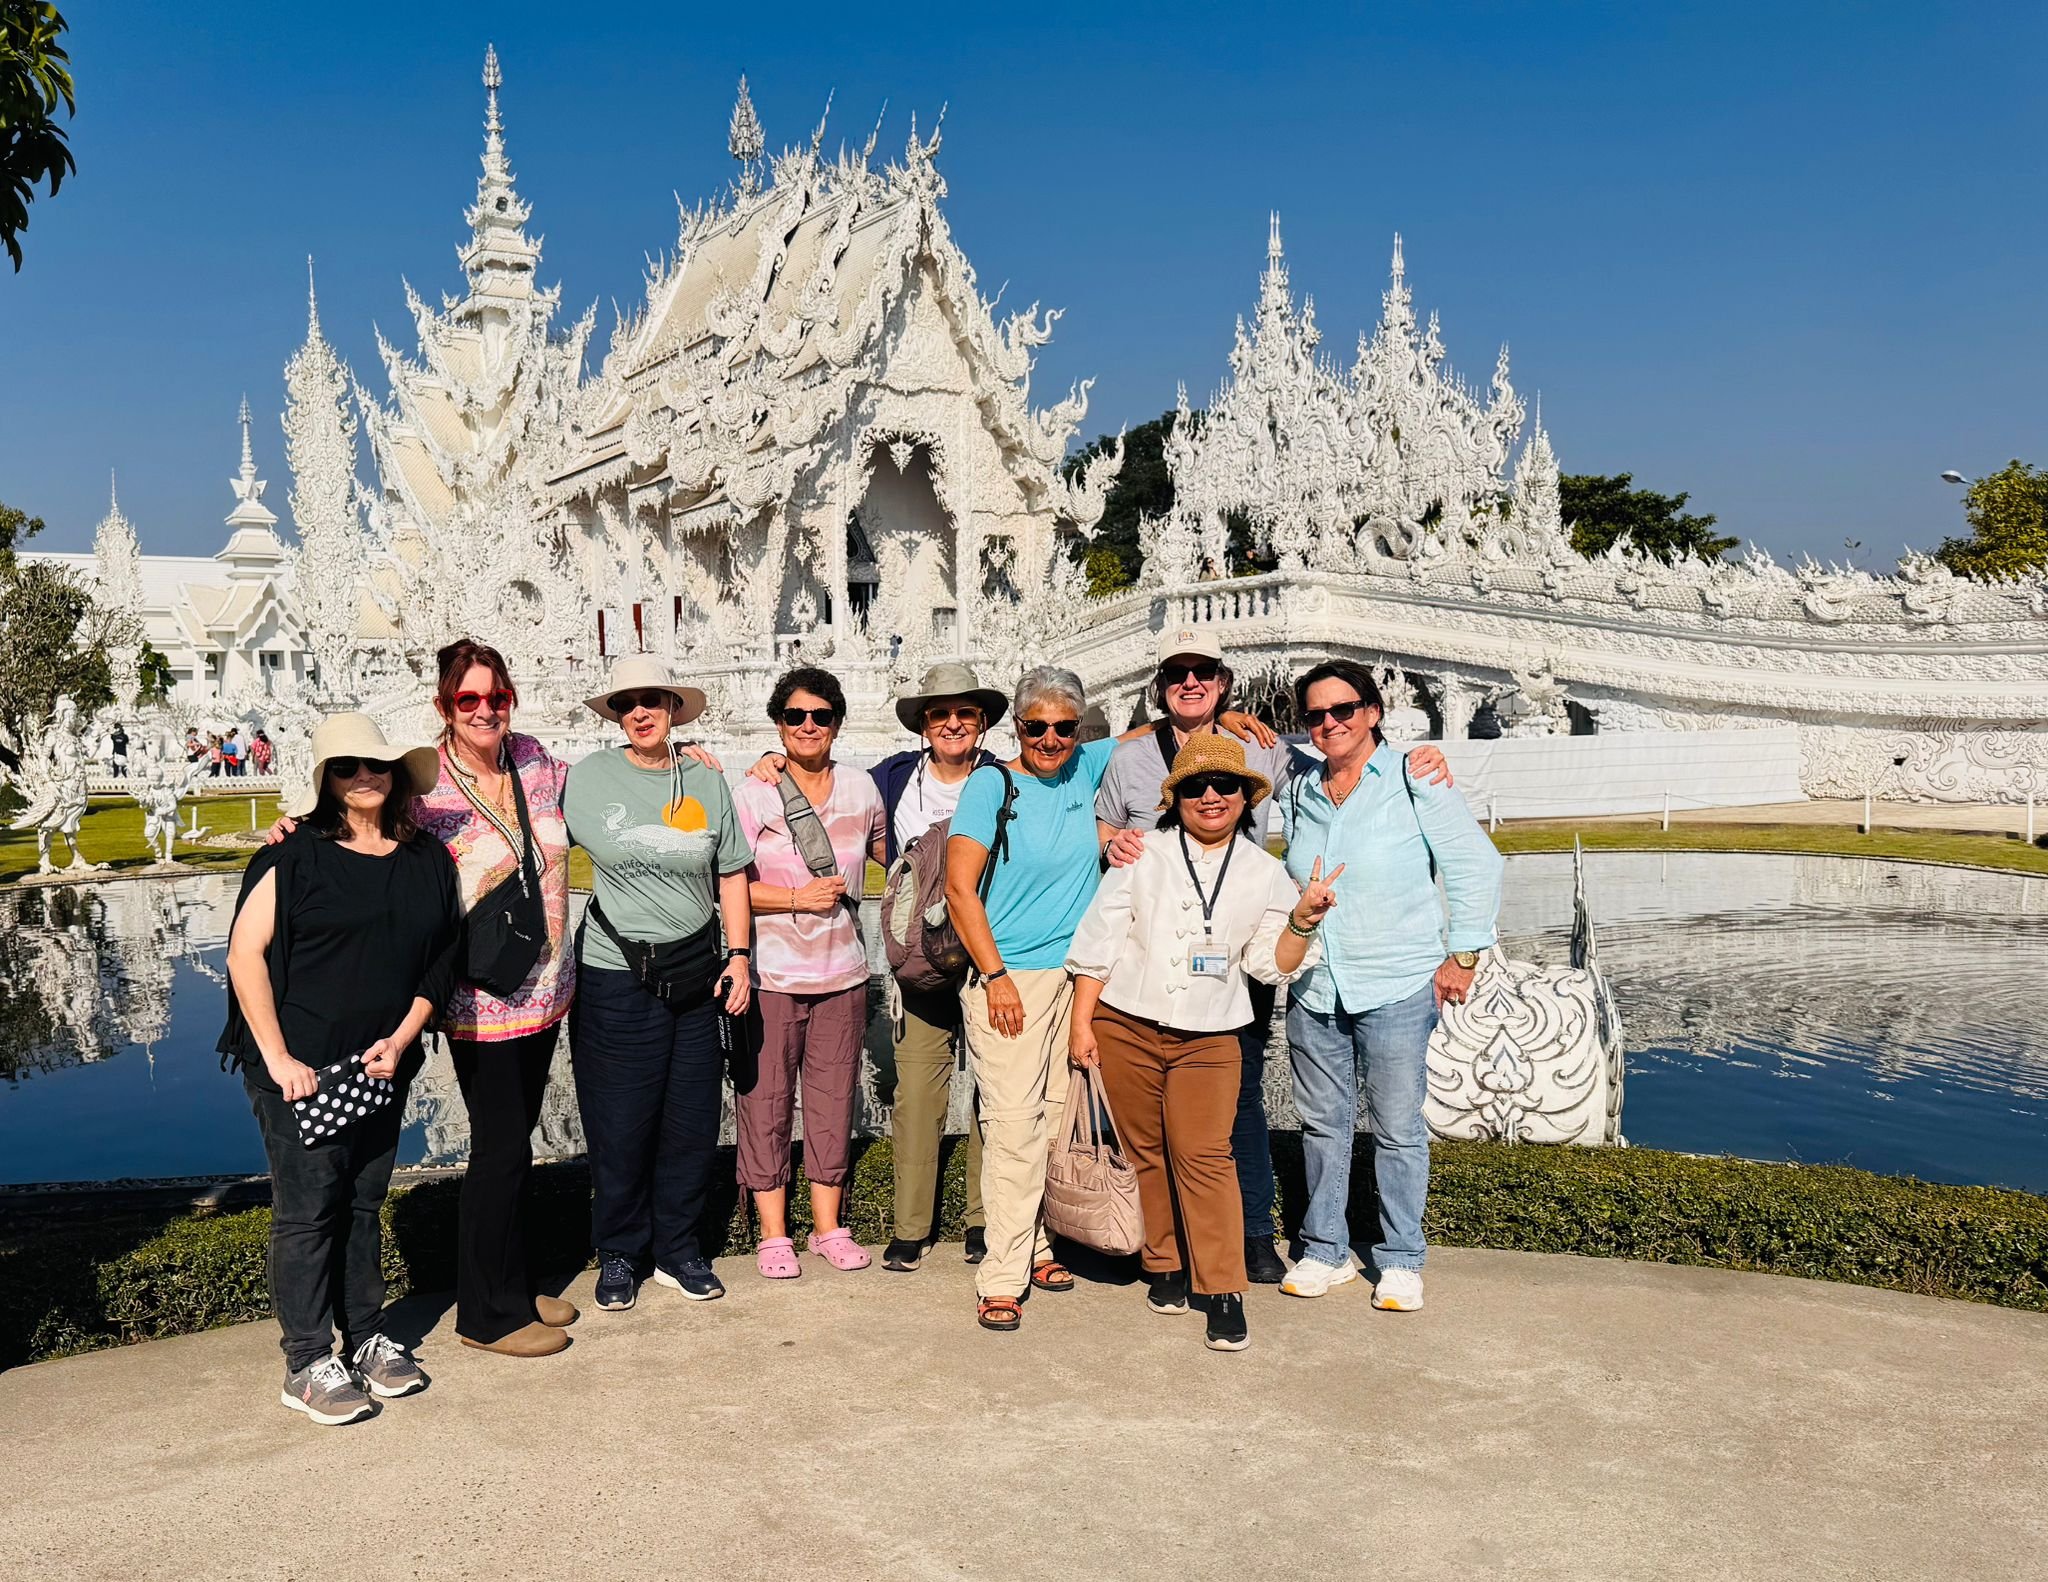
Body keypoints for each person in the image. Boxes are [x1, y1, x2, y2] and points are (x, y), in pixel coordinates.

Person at [1094, 629, 1453, 1285]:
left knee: (1238, 1099)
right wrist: (1113, 842)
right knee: (1145, 1107)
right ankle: (1159, 1241)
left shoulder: (1263, 748)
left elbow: (1344, 759)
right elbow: (1093, 808)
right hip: (1148, 964)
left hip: (1239, 958)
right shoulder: (1132, 758)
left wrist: (1413, 762)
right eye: (1178, 674)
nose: (1191, 683)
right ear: (1161, 687)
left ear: (1224, 682)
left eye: (1204, 671)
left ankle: (1254, 1230)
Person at [220, 713, 461, 1426]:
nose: (365, 777)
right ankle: (305, 1360)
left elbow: (444, 956)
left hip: (381, 1063)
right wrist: (279, 1057)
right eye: (349, 767)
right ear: (326, 778)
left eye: (377, 766)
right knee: (307, 1211)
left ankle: (364, 1338)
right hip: (301, 1069)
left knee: (361, 1202)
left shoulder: (424, 860)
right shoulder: (293, 857)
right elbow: (243, 956)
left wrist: (404, 1036)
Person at [1068, 736, 1337, 1352]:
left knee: (1205, 1156)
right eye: (1195, 788)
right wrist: (1083, 1024)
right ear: (1177, 799)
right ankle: (1163, 1263)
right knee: (1144, 1150)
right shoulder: (1144, 853)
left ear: (1246, 797)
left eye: (1224, 786)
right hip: (1127, 1022)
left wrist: (1302, 920)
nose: (1211, 797)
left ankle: (1222, 1287)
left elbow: (1272, 964)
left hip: (1212, 1034)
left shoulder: (1265, 871)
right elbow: (1100, 940)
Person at [1279, 660, 1503, 1310]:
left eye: (1342, 710)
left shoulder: (1412, 777)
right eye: (1316, 715)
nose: (1329, 724)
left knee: (1398, 1126)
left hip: (1397, 983)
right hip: (1318, 985)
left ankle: (1400, 1257)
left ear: (1373, 712)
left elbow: (1473, 865)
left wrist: (1463, 956)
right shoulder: (1302, 788)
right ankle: (1324, 1248)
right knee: (1323, 1125)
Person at [564, 656, 753, 1313]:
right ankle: (619, 1251)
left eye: (653, 700)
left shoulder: (704, 776)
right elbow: (518, 824)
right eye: (627, 703)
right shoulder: (590, 778)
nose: (640, 712)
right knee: (620, 1123)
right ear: (617, 714)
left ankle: (678, 1248)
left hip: (698, 973)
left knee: (690, 1120)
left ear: (674, 708)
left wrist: (741, 955)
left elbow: (731, 871)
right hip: (617, 973)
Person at [411, 639, 580, 1358]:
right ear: (445, 708)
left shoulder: (535, 759)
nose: (485, 710)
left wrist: (688, 756)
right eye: (468, 700)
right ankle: (484, 1314)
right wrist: (295, 831)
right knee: (499, 1150)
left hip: (544, 987)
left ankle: (512, 1284)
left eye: (496, 697)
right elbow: (357, 825)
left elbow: (603, 785)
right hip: (480, 999)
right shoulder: (424, 783)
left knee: (520, 1145)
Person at [945, 665, 1122, 1334]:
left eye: (1064, 728)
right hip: (1008, 978)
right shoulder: (993, 783)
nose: (1050, 739)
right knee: (1015, 1127)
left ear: (1080, 729)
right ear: (1015, 727)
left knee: (1052, 1123)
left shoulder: (1085, 766)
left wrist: (1237, 719)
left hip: (1074, 976)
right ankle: (1001, 1275)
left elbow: (1169, 734)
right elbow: (962, 891)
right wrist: (995, 978)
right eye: (1036, 726)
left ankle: (1039, 1245)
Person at [731, 667, 885, 1279]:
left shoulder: (862, 789)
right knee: (765, 1101)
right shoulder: (753, 795)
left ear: (838, 723)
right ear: (779, 724)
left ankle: (828, 1226)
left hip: (843, 973)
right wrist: (797, 899)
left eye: (821, 716)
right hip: (770, 974)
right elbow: (730, 887)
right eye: (796, 717)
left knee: (832, 1100)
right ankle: (773, 1232)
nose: (808, 726)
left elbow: (889, 856)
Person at [867, 663, 1004, 1271]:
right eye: (940, 714)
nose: (953, 723)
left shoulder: (1005, 778)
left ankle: (982, 1218)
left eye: (965, 714)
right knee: (917, 1094)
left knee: (994, 1093)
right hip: (919, 961)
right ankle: (910, 1225)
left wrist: (1221, 720)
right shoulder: (894, 777)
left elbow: (1098, 750)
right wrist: (767, 757)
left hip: (989, 952)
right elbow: (813, 774)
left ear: (981, 724)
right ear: (923, 724)